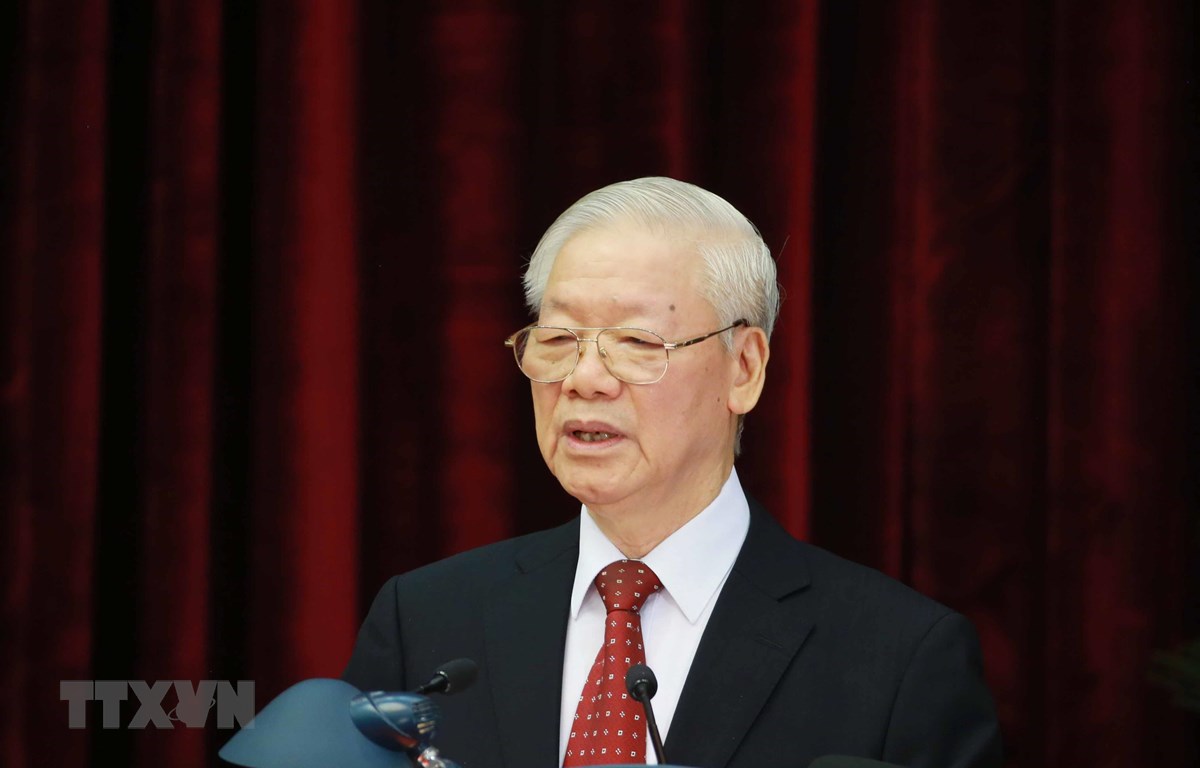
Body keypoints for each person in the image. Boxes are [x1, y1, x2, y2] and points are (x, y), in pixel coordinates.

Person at [343, 177, 1002, 768]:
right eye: (559, 340)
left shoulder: (899, 659)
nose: (584, 379)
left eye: (636, 343)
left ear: (744, 368)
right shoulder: (425, 622)